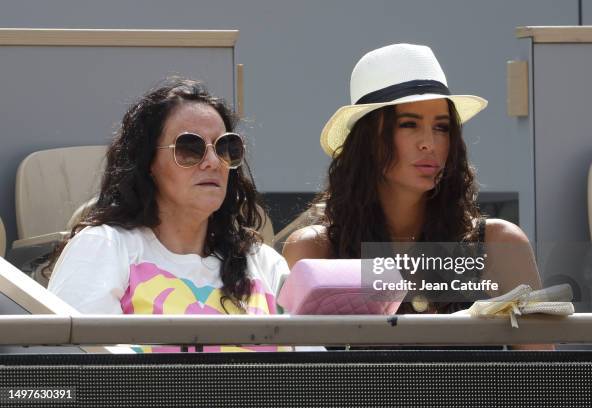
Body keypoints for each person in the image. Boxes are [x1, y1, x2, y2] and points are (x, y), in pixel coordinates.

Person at [283, 44, 547, 348]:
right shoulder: (314, 249)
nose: (429, 143)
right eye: (409, 124)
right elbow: (304, 379)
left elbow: (543, 379)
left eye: (442, 127)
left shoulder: (499, 243)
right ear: (368, 140)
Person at [48, 78, 289, 352]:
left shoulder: (265, 264)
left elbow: (313, 375)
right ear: (148, 162)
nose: (212, 161)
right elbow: (82, 371)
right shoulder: (104, 248)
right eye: (190, 148)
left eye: (224, 148)